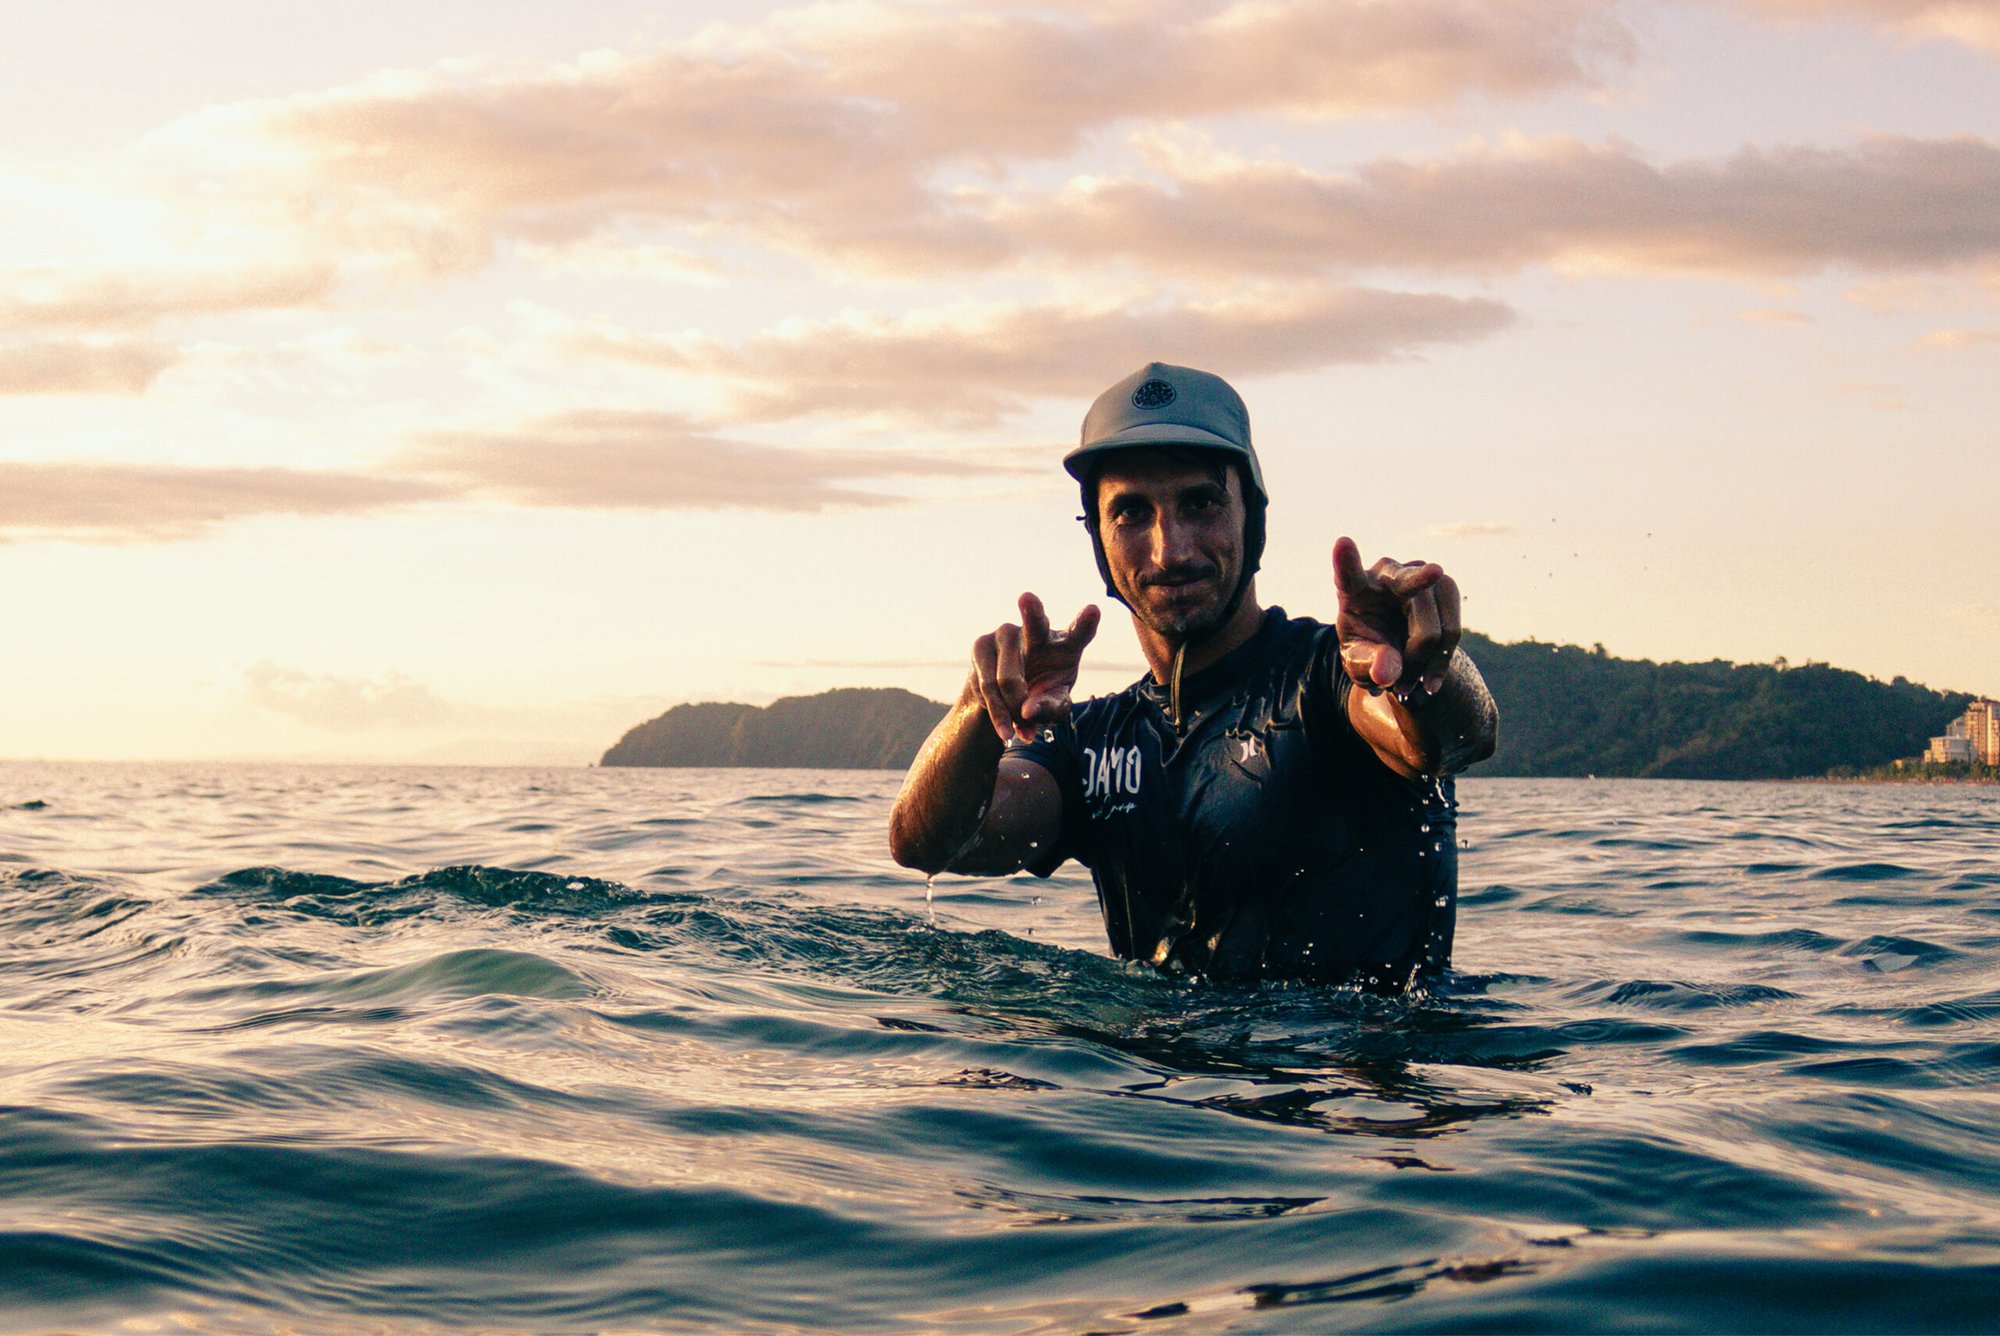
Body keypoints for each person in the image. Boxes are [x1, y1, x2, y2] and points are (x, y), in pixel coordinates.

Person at [888, 363, 1497, 990]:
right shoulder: (1090, 742)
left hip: (1351, 1081)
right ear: (1098, 538)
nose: (1169, 550)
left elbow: (1454, 737)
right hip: (1149, 1084)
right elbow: (927, 843)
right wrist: (977, 714)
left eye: (1200, 503)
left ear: (1251, 518)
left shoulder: (1332, 678)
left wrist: (1424, 672)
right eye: (1130, 514)